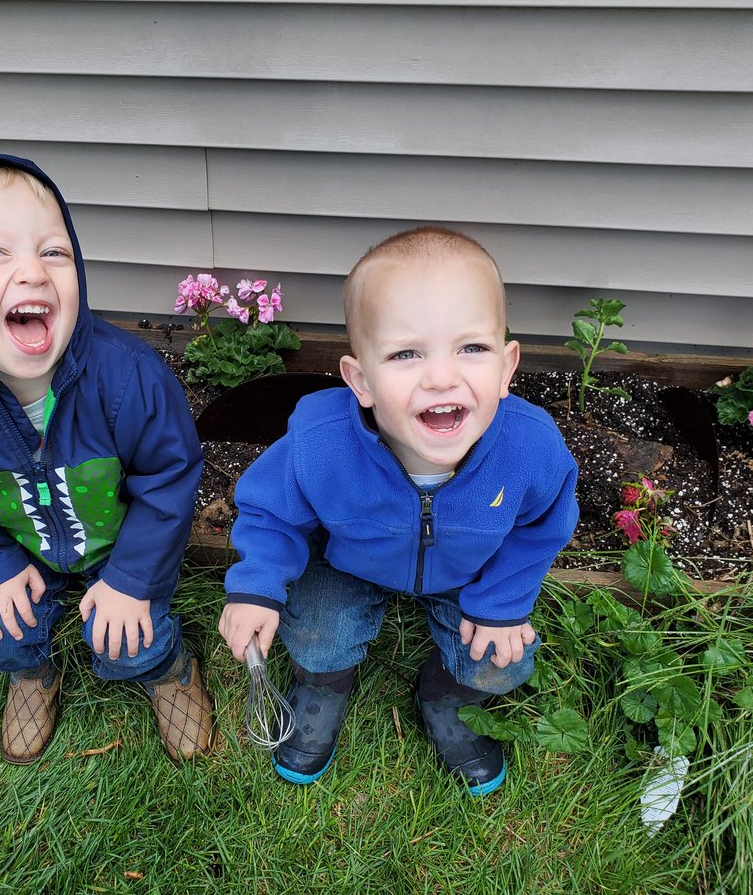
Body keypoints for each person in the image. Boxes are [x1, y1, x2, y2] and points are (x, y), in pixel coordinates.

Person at [219, 226, 578, 794]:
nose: (441, 376)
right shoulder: (321, 443)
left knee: (500, 661)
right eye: (406, 353)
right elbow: (269, 511)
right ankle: (321, 686)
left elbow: (543, 526)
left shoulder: (531, 451)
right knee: (314, 632)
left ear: (508, 367)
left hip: (467, 575)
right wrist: (256, 585)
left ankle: (445, 698)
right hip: (348, 564)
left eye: (472, 348)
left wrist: (502, 603)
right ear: (361, 380)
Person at [0, 154, 213, 765]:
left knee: (129, 634)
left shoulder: (128, 378)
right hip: (21, 551)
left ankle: (168, 670)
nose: (33, 270)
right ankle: (33, 675)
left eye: (54, 252)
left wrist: (132, 580)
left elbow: (170, 479)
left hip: (120, 547)